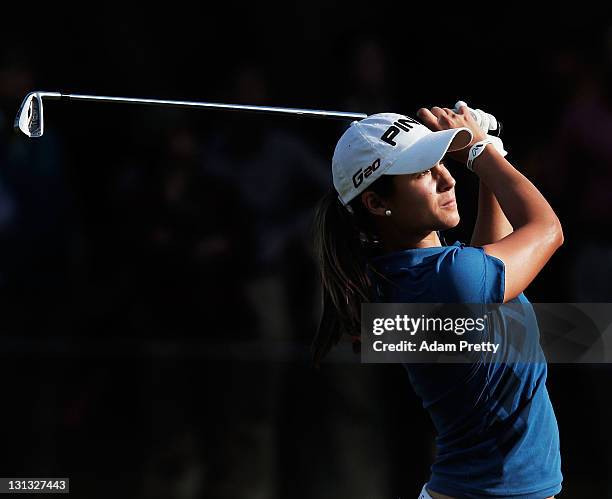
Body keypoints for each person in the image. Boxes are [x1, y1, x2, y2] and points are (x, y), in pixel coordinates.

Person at [311, 105, 564, 498]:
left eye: (442, 162)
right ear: (377, 203)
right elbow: (547, 231)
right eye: (423, 172)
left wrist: (487, 159)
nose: (448, 179)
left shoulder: (406, 275)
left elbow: (489, 266)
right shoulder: (449, 276)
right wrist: (483, 154)